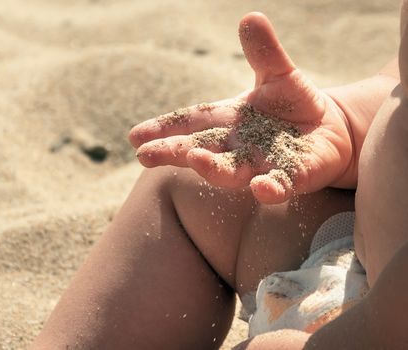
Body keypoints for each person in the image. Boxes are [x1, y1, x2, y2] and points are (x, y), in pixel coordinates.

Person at [31, 3, 408, 349]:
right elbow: (397, 86)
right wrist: (346, 120)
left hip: (375, 332)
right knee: (192, 186)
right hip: (372, 264)